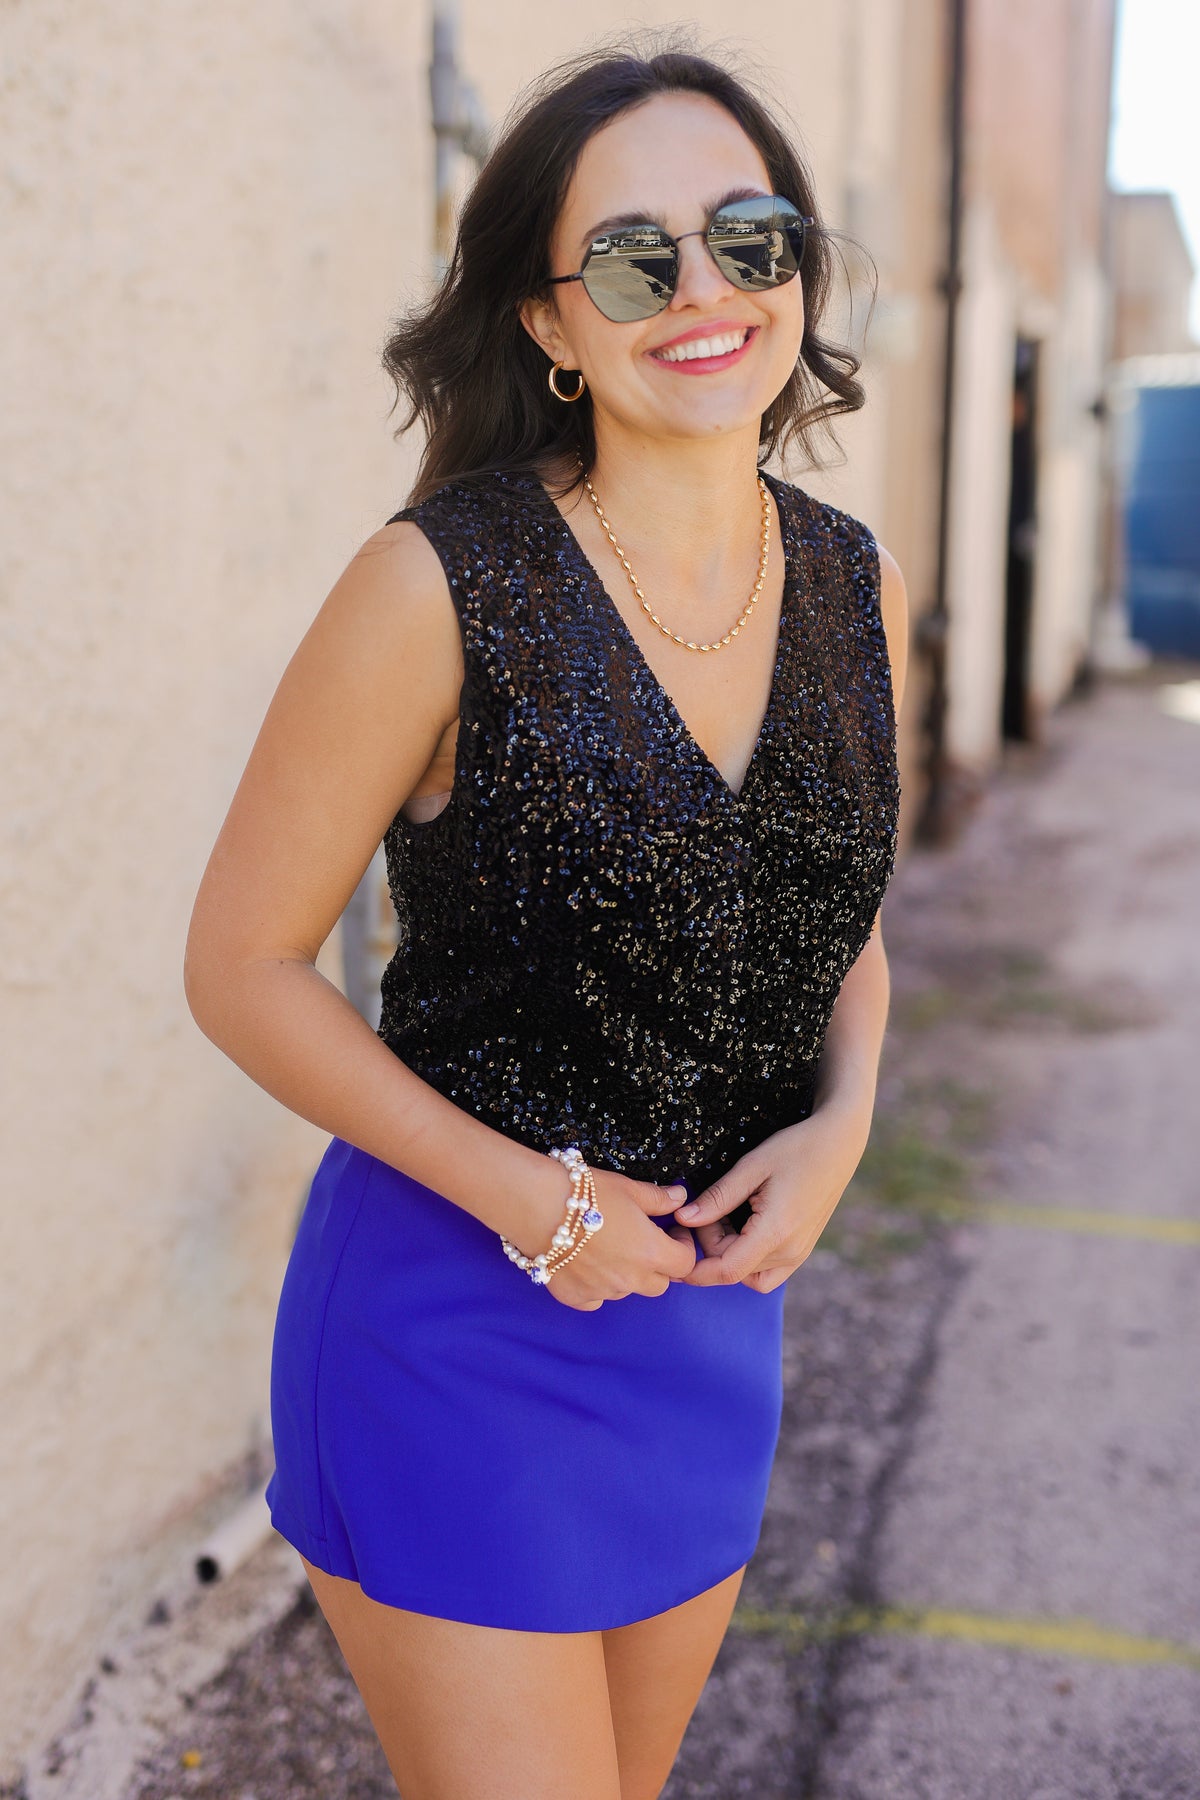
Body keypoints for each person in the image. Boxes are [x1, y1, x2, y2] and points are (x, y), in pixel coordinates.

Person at [184, 34, 908, 1800]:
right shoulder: (436, 584)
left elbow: (836, 914)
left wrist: (841, 1129)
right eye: (635, 259)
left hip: (707, 1327)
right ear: (548, 323)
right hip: (460, 1312)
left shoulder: (853, 582)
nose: (705, 290)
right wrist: (539, 1202)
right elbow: (241, 967)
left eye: (748, 236)